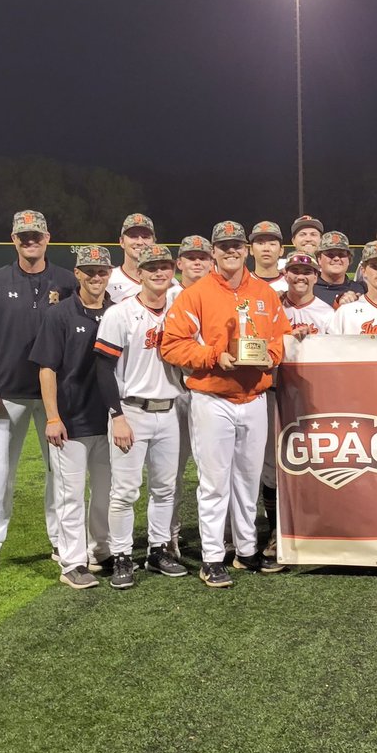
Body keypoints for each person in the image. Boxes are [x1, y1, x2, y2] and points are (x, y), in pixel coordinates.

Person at [160, 221, 290, 588]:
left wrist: (272, 356)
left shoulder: (264, 293)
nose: (230, 251)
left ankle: (245, 550)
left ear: (246, 249)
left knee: (248, 479)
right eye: (223, 246)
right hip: (211, 397)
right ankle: (213, 557)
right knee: (215, 482)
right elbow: (172, 344)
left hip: (255, 396)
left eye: (236, 245)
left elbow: (282, 338)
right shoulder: (195, 294)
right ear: (214, 251)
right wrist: (214, 356)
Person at [0, 210, 76, 578]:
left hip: (55, 398)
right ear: (13, 239)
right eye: (23, 236)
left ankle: (63, 541)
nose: (30, 241)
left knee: (60, 472)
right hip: (4, 394)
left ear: (48, 238)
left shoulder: (66, 280)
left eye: (36, 235)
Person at [93, 244, 189, 587]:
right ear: (141, 273)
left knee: (165, 488)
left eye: (164, 267)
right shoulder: (119, 313)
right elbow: (103, 369)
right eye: (152, 268)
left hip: (170, 410)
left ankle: (157, 549)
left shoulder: (179, 310)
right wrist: (116, 415)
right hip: (131, 411)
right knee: (125, 491)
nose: (159, 273)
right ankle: (121, 555)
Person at [30, 245, 115, 590]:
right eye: (89, 271)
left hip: (109, 420)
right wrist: (53, 417)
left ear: (109, 274)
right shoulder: (60, 314)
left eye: (102, 271)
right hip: (72, 419)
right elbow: (47, 368)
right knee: (70, 494)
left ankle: (99, 549)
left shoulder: (118, 311)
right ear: (77, 273)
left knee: (105, 492)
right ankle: (72, 561)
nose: (96, 277)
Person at [167, 235, 213, 558]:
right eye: (190, 257)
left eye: (203, 257)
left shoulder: (220, 295)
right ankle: (169, 534)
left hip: (210, 394)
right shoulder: (162, 294)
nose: (197, 262)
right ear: (178, 263)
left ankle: (221, 533)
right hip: (173, 394)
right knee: (171, 471)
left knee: (214, 470)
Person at [107, 213, 156, 304]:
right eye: (133, 236)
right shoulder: (107, 280)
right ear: (121, 241)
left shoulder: (167, 282)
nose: (140, 242)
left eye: (145, 237)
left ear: (154, 242)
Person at [312, 231, 364, 306]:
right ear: (319, 259)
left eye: (341, 254)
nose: (336, 258)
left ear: (349, 260)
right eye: (330, 255)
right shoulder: (309, 289)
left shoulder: (359, 289)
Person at [249, 221, 288, 293]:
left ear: (281, 250)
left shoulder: (291, 284)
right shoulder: (242, 283)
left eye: (272, 243)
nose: (266, 248)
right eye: (260, 243)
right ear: (251, 249)